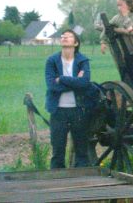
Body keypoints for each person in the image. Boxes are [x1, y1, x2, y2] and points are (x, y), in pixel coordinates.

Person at [45, 29, 95, 169]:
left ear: (76, 42)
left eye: (68, 36)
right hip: (58, 111)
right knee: (58, 150)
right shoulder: (52, 61)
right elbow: (52, 86)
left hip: (78, 110)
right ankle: (57, 183)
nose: (64, 38)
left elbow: (85, 82)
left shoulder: (82, 61)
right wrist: (75, 82)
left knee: (81, 151)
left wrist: (61, 79)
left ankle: (81, 183)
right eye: (63, 36)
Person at [100, 0, 133, 104]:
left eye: (121, 5)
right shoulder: (116, 18)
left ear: (129, 5)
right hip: (125, 52)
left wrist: (126, 15)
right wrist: (103, 41)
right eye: (118, 5)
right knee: (128, 74)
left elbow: (131, 27)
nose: (119, 8)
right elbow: (107, 27)